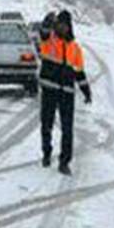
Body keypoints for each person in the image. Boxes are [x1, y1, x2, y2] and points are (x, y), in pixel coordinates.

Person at [38, 9, 91, 175]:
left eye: (66, 25)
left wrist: (86, 91)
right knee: (46, 124)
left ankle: (64, 161)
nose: (63, 28)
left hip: (67, 93)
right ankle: (46, 152)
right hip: (49, 90)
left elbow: (79, 72)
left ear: (70, 26)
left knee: (67, 130)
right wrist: (47, 22)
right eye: (60, 24)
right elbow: (43, 32)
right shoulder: (49, 41)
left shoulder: (75, 48)